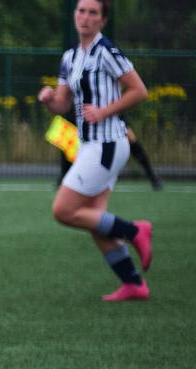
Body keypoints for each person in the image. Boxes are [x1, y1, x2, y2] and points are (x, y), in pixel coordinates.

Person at [39, 0, 153, 301]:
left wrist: (103, 112)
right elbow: (63, 104)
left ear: (102, 20)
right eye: (81, 11)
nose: (85, 17)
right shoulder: (70, 57)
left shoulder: (107, 52)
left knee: (63, 210)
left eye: (93, 13)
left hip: (107, 144)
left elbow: (139, 91)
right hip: (89, 144)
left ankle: (135, 231)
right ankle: (133, 284)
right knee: (93, 218)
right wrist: (49, 99)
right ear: (74, 15)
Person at [58, 121, 164, 191]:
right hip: (84, 110)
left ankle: (152, 176)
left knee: (131, 139)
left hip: (109, 110)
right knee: (71, 139)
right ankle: (64, 177)